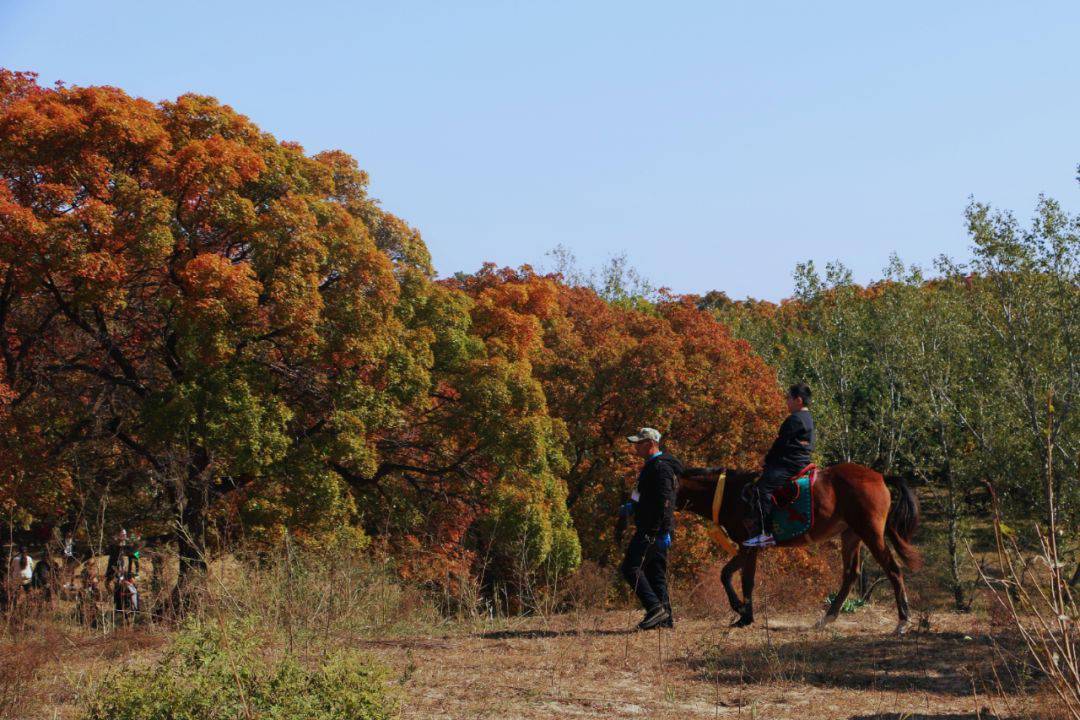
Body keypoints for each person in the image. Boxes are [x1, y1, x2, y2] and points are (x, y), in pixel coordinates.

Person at [619, 427, 684, 630]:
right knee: (655, 572)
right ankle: (665, 619)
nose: (635, 447)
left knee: (630, 568)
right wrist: (633, 506)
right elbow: (648, 498)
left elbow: (664, 501)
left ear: (651, 443)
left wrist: (661, 531)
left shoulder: (660, 467)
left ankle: (655, 609)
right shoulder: (652, 466)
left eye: (639, 443)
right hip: (654, 527)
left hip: (653, 529)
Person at [743, 383, 816, 549]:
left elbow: (780, 444)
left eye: (788, 398)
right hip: (801, 460)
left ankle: (766, 533)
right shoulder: (808, 418)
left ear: (798, 400)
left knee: (762, 489)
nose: (786, 402)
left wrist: (766, 460)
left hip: (790, 463)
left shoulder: (795, 419)